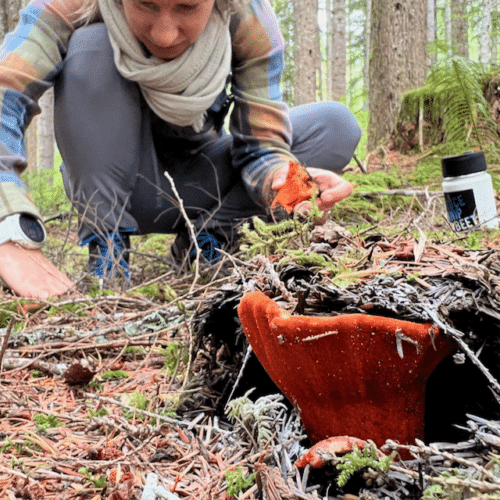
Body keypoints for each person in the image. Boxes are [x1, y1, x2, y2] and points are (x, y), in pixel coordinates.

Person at [0, 0, 361, 300]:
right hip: (116, 184)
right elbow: (5, 90)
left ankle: (207, 241)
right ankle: (107, 257)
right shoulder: (70, 4)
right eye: (145, 3)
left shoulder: (249, 20)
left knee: (334, 125)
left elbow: (262, 146)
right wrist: (7, 227)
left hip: (199, 176)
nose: (164, 33)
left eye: (187, 6)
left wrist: (290, 187)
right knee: (92, 45)